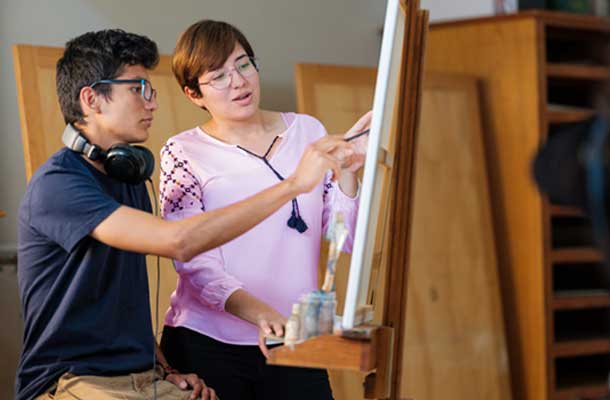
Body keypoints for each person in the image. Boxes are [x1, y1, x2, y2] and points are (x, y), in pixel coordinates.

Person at [16, 28, 352, 400]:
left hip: (143, 373)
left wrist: (167, 370)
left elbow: (122, 304)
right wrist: (292, 186)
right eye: (138, 88)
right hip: (73, 379)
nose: (152, 103)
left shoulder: (126, 179)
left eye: (151, 90)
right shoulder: (59, 185)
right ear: (92, 99)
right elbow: (180, 242)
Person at [159, 20, 371, 400]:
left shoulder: (307, 130)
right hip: (208, 342)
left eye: (243, 64)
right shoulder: (182, 152)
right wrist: (260, 314)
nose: (238, 82)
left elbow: (346, 239)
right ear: (194, 94)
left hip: (293, 340)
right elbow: (193, 261)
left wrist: (349, 173)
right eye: (219, 76)